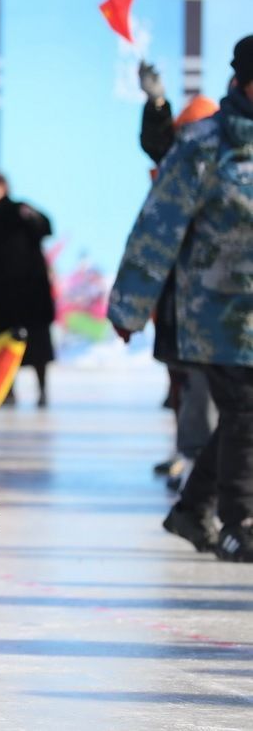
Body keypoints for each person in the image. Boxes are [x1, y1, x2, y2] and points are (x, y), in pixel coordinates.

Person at [108, 35, 253, 562]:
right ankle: (240, 521)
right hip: (218, 314)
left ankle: (194, 507)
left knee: (244, 415)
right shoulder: (204, 146)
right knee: (244, 412)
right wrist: (129, 306)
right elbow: (156, 230)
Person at [137, 61, 220, 489]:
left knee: (213, 386)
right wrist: (155, 102)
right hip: (177, 297)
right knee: (181, 381)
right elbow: (156, 141)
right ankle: (186, 456)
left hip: (216, 301)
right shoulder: (177, 169)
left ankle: (201, 464)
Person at [0, 171, 54, 406]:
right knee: (5, 345)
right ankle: (7, 391)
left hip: (30, 293)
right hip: (2, 296)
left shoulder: (20, 210)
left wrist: (29, 216)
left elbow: (45, 227)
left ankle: (42, 390)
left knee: (37, 345)